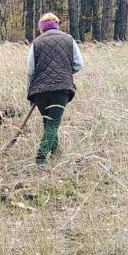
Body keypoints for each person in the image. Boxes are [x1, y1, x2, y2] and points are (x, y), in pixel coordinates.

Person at [27, 12, 83, 165]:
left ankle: (56, 153)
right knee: (52, 123)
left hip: (39, 91)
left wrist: (30, 93)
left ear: (41, 28)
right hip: (61, 89)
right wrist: (65, 71)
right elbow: (78, 64)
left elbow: (30, 71)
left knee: (48, 122)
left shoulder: (36, 43)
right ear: (57, 25)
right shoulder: (69, 40)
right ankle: (41, 157)